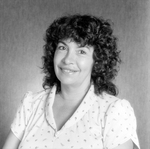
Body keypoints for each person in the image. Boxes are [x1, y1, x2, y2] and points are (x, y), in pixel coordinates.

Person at [3, 14, 140, 149]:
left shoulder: (114, 111)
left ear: (97, 60)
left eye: (81, 51)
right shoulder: (31, 104)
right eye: (62, 48)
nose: (67, 59)